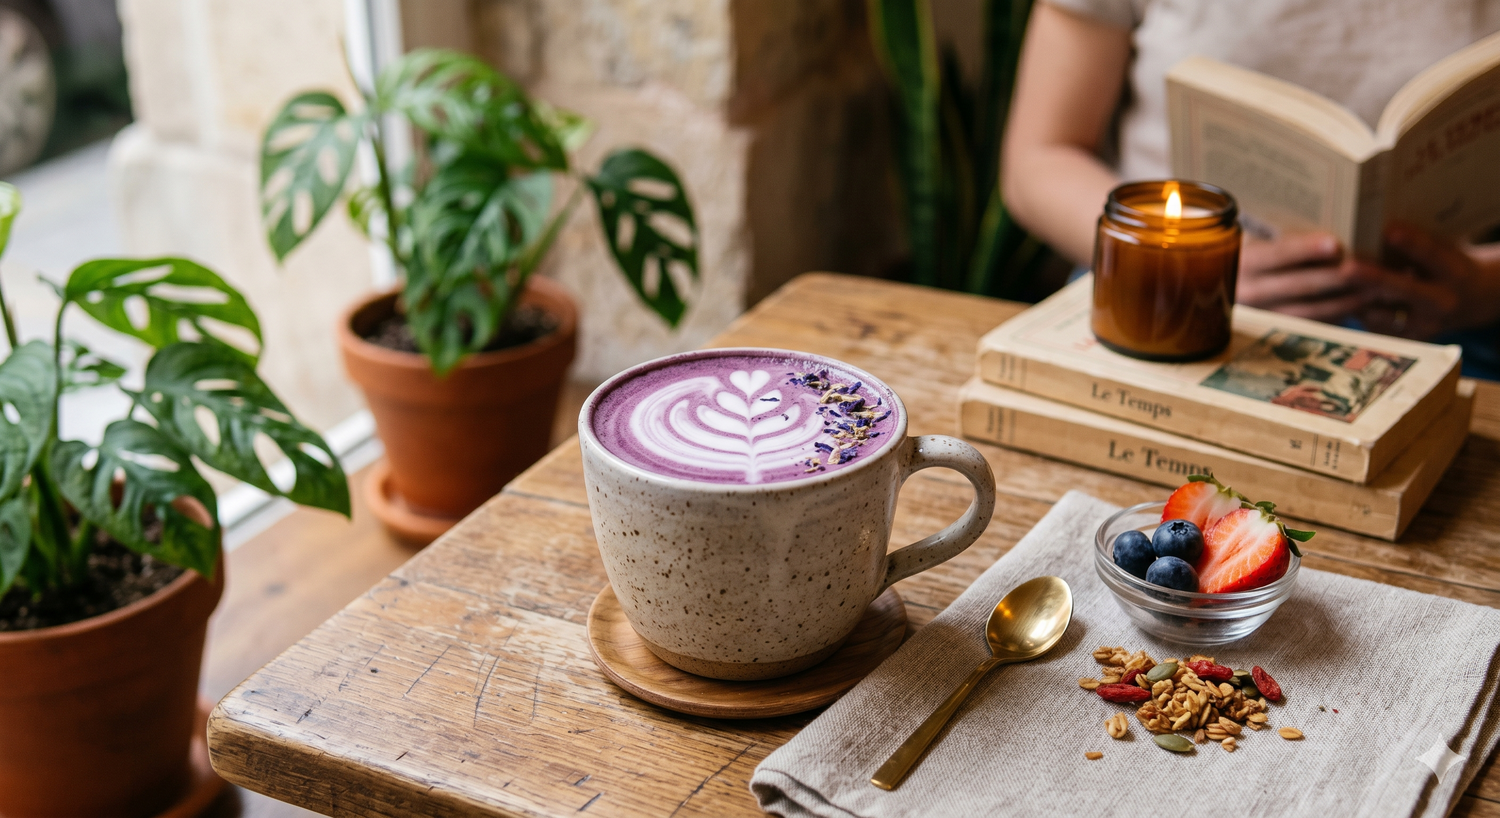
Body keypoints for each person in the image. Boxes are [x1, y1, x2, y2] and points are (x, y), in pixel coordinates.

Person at [1001, 0, 1500, 378]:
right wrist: (1185, 266)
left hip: (1454, 323)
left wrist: (1484, 287)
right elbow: (1036, 160)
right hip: (1156, 289)